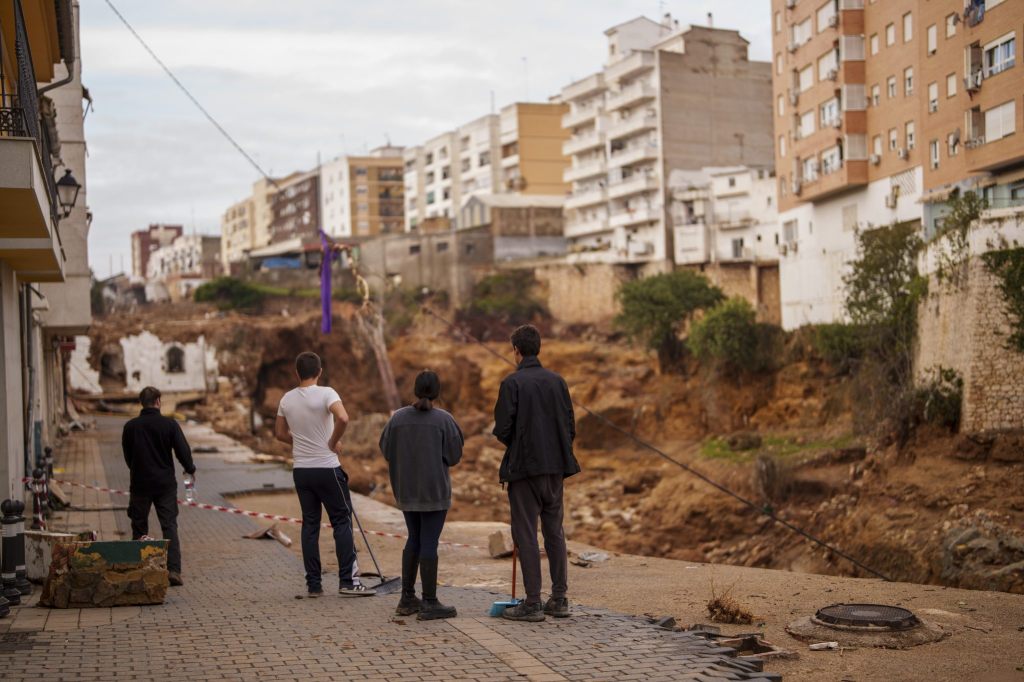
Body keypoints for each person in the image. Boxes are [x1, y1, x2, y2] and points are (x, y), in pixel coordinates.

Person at [493, 324, 580, 622]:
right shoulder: (559, 382)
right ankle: (559, 599)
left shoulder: (512, 383)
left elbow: (502, 428)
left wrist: (521, 446)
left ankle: (532, 603)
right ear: (538, 348)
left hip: (524, 471)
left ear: (516, 351)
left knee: (526, 533)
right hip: (555, 470)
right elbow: (570, 427)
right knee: (554, 532)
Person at [274, 351, 374, 598]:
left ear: (297, 373)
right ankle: (348, 582)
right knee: (341, 521)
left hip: (302, 471)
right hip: (328, 468)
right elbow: (343, 417)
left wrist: (300, 443)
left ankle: (314, 585)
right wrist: (332, 442)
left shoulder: (286, 399)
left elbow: (279, 434)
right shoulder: (327, 393)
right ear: (319, 371)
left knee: (310, 525)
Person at [379, 370, 464, 620]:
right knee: (429, 542)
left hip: (406, 492)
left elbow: (386, 449)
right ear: (437, 392)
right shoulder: (444, 420)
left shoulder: (397, 419)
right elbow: (455, 456)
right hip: (434, 493)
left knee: (413, 539)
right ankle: (429, 601)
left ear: (414, 390)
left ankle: (407, 598)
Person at [122, 386, 196, 587]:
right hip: (165, 484)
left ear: (141, 403)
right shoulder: (169, 425)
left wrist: (137, 469)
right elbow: (183, 450)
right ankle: (173, 570)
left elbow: (128, 456)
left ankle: (140, 568)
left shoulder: (130, 427)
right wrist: (190, 468)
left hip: (139, 484)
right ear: (158, 402)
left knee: (139, 527)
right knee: (169, 526)